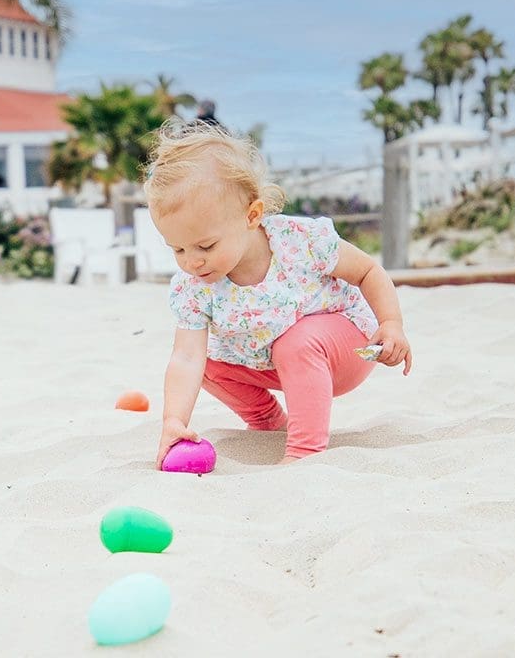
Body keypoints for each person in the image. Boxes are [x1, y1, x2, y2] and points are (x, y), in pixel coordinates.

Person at [144, 120, 411, 466]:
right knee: (206, 362)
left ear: (251, 216)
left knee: (296, 342)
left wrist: (391, 322)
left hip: (345, 346)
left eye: (205, 245)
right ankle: (269, 424)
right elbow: (185, 358)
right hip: (274, 361)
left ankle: (304, 452)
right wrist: (173, 422)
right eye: (177, 249)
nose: (193, 262)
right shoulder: (195, 287)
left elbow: (368, 271)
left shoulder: (299, 241)